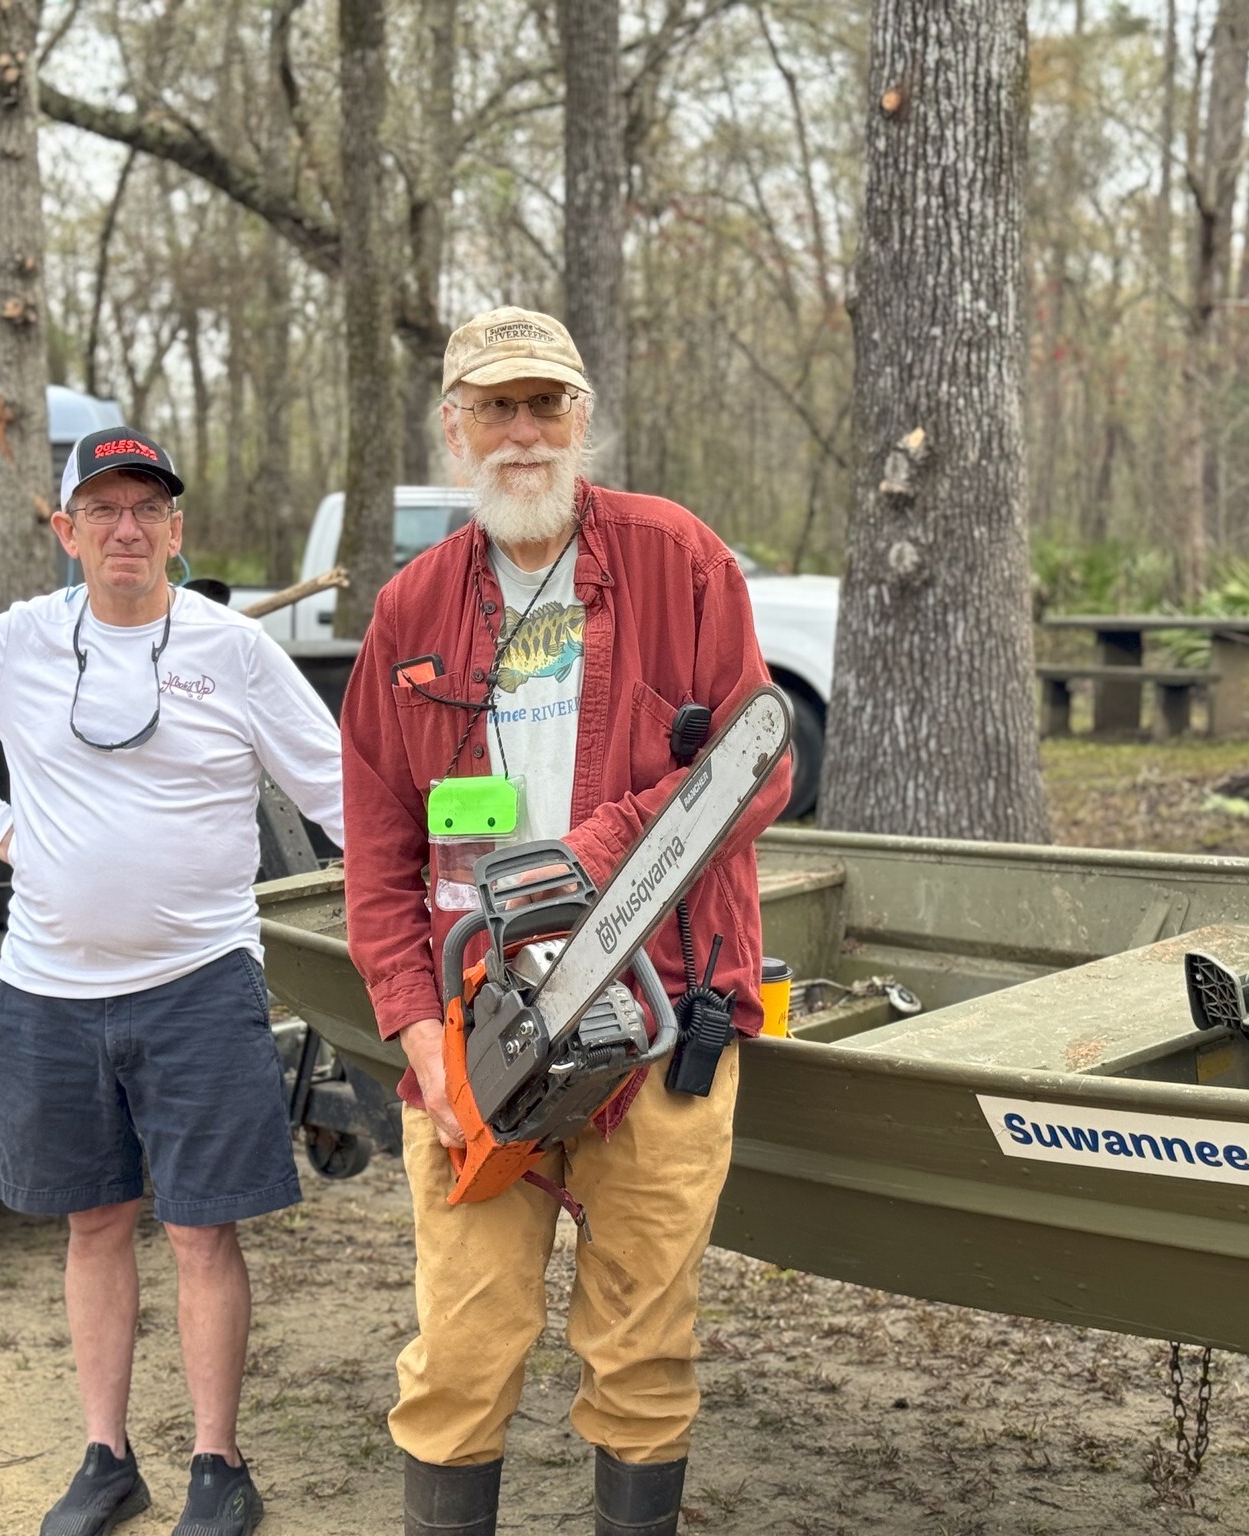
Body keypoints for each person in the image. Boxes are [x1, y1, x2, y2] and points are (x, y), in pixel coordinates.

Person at [340, 307, 790, 1536]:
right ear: (454, 428)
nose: (522, 432)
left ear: (582, 418)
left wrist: (586, 859)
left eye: (546, 405)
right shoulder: (411, 610)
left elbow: (756, 767)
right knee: (459, 1358)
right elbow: (378, 852)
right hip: (475, 1023)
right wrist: (414, 1032)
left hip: (659, 1019)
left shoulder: (674, 558)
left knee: (643, 1356)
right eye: (496, 407)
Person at [0, 426, 342, 1536]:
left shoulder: (231, 649)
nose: (125, 528)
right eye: (102, 509)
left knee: (199, 1233)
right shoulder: (21, 640)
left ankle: (217, 1463)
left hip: (198, 983)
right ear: (66, 532)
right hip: (51, 989)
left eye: (146, 509)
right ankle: (104, 1456)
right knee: (92, 1224)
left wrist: (427, 885)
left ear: (175, 531)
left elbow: (335, 789)